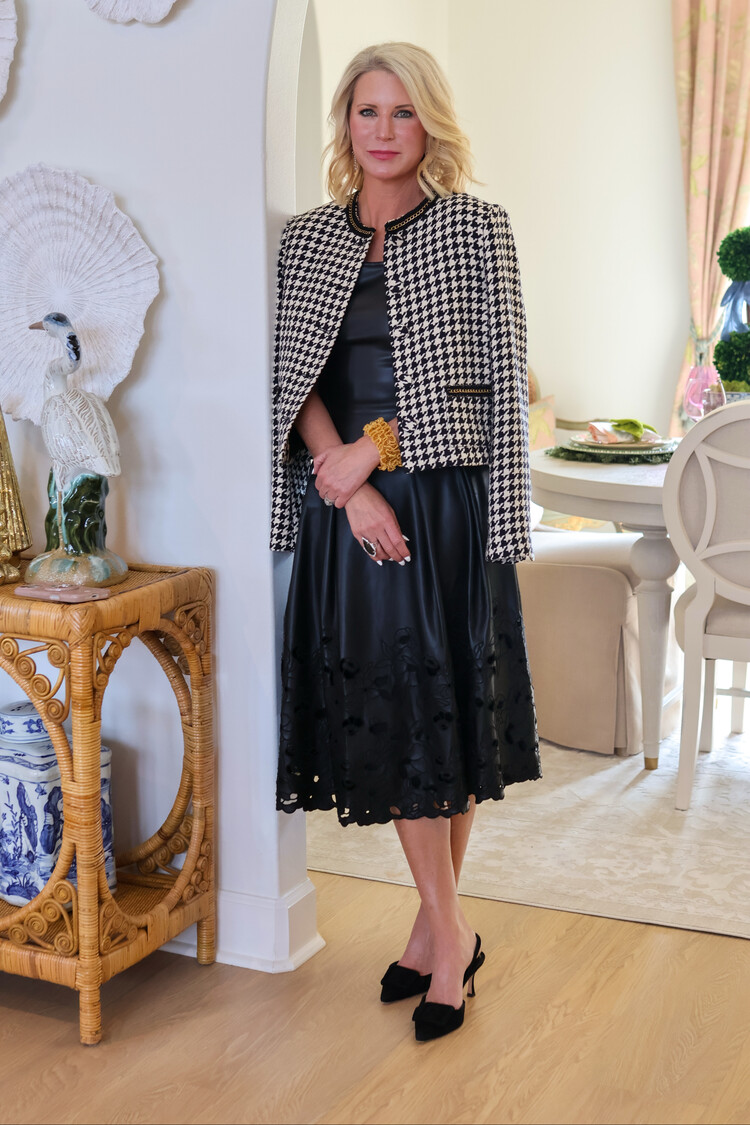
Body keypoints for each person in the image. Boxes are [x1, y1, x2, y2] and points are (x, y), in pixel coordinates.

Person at [271, 42, 540, 1042]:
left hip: (442, 503)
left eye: (403, 112)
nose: (383, 131)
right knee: (396, 718)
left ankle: (439, 937)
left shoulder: (476, 228)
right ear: (345, 123)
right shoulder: (308, 237)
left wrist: (376, 451)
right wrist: (345, 481)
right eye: (366, 111)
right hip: (350, 512)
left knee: (443, 717)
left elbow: (492, 379)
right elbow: (292, 376)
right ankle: (450, 930)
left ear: (431, 123)